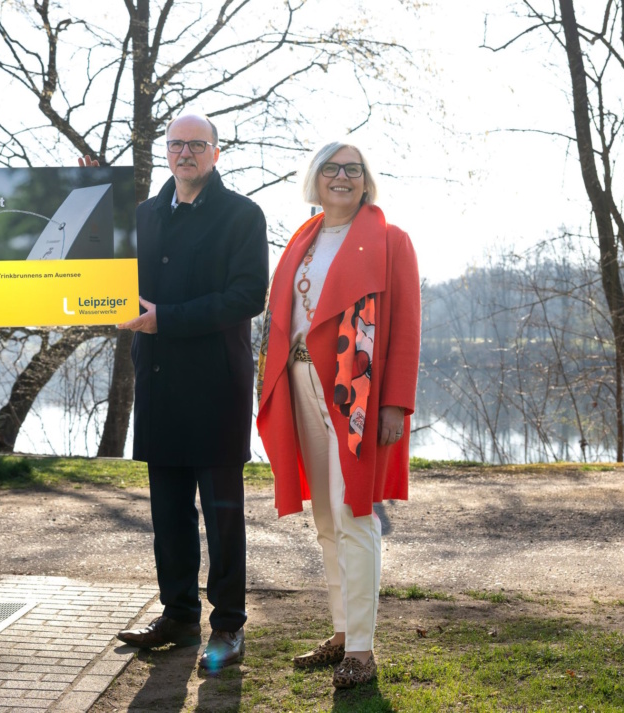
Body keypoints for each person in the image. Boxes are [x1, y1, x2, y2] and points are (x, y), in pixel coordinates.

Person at [83, 114, 268, 671]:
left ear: (216, 152)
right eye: (176, 144)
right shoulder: (141, 214)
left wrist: (169, 319)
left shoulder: (243, 214)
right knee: (168, 514)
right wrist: (89, 197)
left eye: (197, 144)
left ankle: (229, 625)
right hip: (159, 383)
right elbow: (101, 270)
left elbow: (247, 297)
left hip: (217, 385)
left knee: (222, 513)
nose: (185, 153)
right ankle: (179, 615)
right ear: (166, 152)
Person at [255, 142, 420, 688]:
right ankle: (343, 632)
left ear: (366, 179)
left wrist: (396, 402)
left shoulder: (392, 241)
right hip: (300, 380)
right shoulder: (301, 240)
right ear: (316, 179)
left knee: (355, 514)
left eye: (352, 169)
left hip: (357, 392)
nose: (342, 177)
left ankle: (364, 649)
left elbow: (407, 332)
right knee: (325, 516)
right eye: (331, 168)